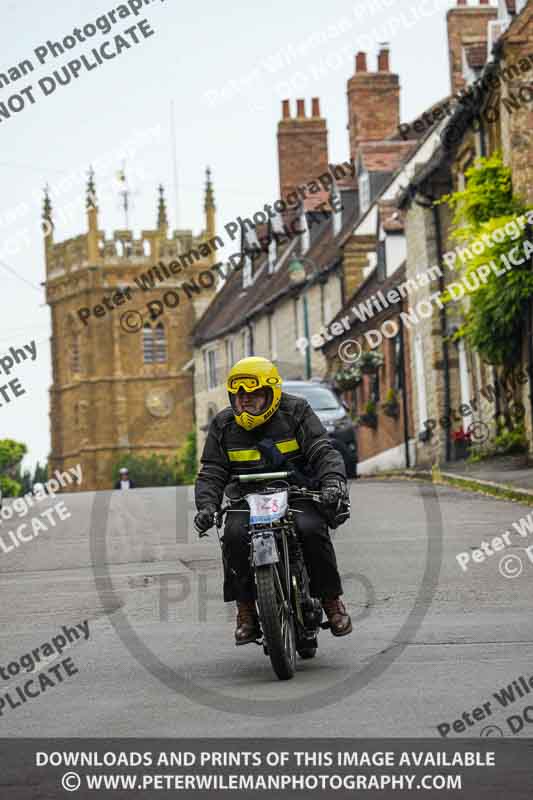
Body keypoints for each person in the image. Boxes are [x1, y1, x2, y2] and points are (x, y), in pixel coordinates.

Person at [194, 356, 352, 645]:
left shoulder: (297, 411)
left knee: (311, 529)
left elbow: (322, 450)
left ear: (271, 392)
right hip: (246, 498)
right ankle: (246, 612)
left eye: (252, 394)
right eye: (239, 395)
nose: (245, 401)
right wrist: (206, 506)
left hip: (296, 491)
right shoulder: (223, 424)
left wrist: (332, 483)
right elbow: (213, 471)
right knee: (232, 536)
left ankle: (331, 600)